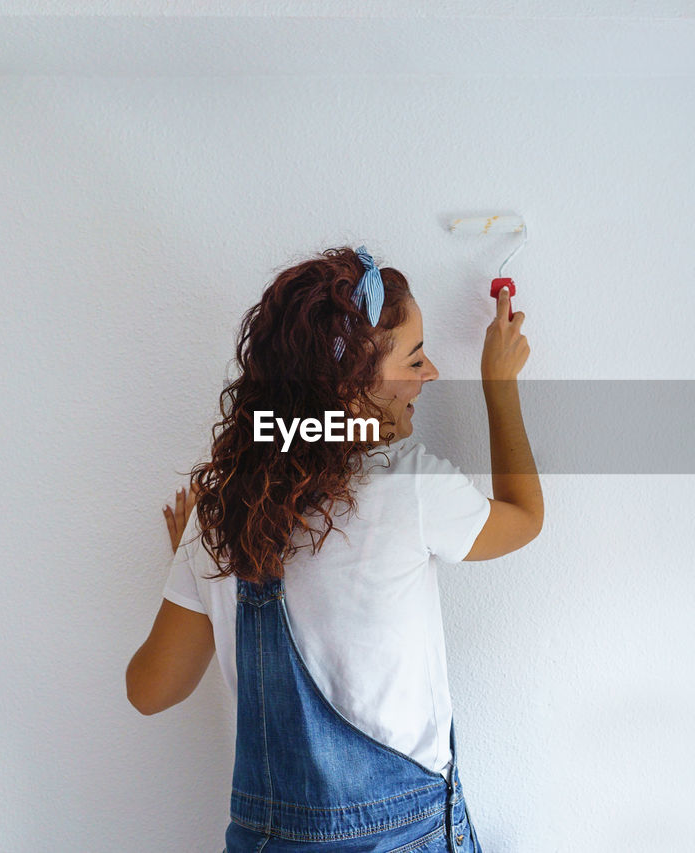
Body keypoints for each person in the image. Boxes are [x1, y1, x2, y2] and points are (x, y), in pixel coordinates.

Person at [126, 246, 543, 851]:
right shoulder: (409, 486)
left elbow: (149, 692)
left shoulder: (217, 519)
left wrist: (191, 564)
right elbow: (525, 518)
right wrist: (499, 386)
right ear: (351, 387)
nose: (428, 376)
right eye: (416, 358)